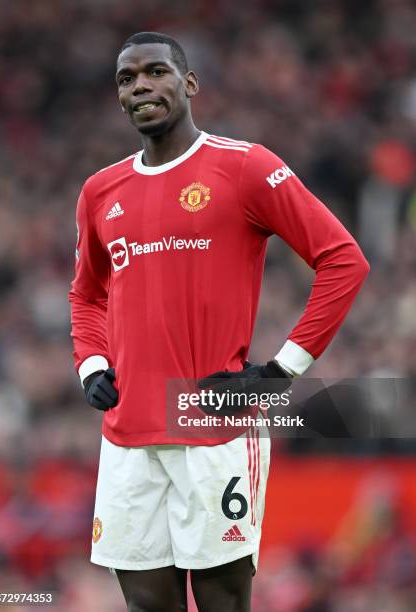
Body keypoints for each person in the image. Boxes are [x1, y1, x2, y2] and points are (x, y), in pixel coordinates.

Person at [69, 31, 369, 611]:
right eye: (127, 80)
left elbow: (343, 260)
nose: (141, 87)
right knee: (145, 605)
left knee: (223, 604)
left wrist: (281, 371)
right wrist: (92, 363)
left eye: (155, 72)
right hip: (128, 435)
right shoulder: (100, 191)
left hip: (214, 428)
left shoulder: (245, 166)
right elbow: (86, 295)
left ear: (189, 84)